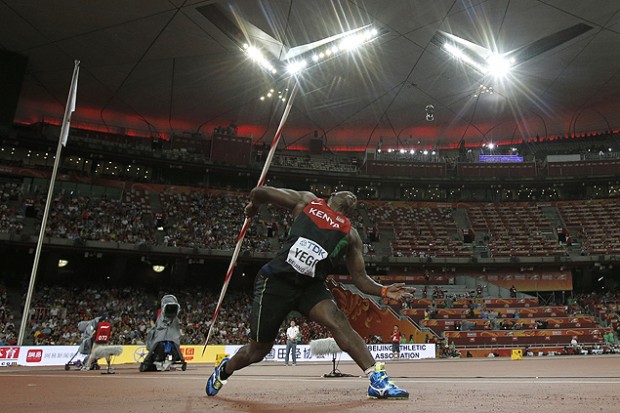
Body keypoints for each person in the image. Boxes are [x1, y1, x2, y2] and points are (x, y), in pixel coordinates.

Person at [206, 187, 412, 399]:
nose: (352, 195)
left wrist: (384, 290)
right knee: (258, 350)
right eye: (346, 191)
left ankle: (377, 380)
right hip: (277, 281)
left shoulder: (350, 235)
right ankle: (225, 369)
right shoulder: (307, 202)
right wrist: (253, 206)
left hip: (310, 287)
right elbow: (261, 192)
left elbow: (360, 278)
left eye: (355, 197)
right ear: (331, 196)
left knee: (339, 321)